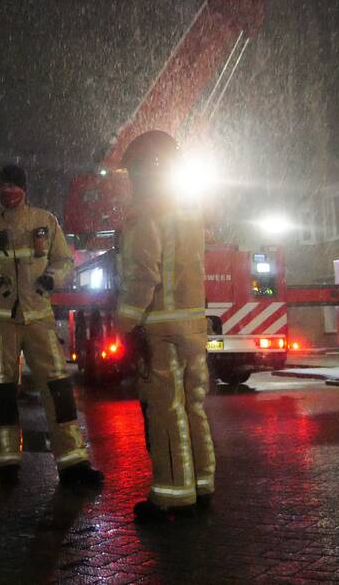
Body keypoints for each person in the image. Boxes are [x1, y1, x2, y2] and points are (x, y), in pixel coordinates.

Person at [0, 164, 103, 487]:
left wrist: (52, 278)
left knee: (58, 387)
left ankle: (73, 462)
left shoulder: (45, 221)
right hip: (1, 320)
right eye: (3, 185)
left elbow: (64, 260)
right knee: (3, 389)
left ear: (25, 189)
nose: (8, 191)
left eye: (14, 185)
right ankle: (7, 461)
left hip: (39, 317)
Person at [115, 131, 216, 521]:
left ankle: (172, 495)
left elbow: (142, 275)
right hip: (192, 323)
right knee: (194, 406)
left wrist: (123, 324)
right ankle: (201, 483)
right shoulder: (190, 210)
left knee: (164, 410)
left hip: (160, 326)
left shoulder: (145, 213)